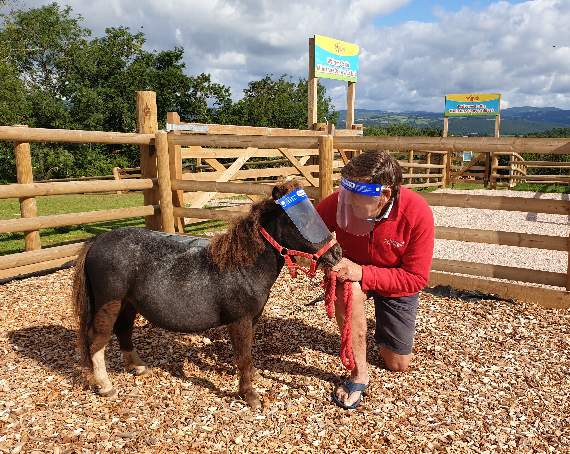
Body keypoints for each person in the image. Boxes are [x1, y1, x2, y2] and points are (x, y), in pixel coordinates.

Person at [316, 150, 435, 409]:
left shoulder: (418, 213)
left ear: (385, 195)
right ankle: (359, 374)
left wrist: (364, 273)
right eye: (346, 195)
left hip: (396, 280)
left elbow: (416, 279)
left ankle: (374, 327)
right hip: (353, 276)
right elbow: (309, 227)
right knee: (347, 290)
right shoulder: (342, 200)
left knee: (397, 364)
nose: (346, 204)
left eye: (356, 199)